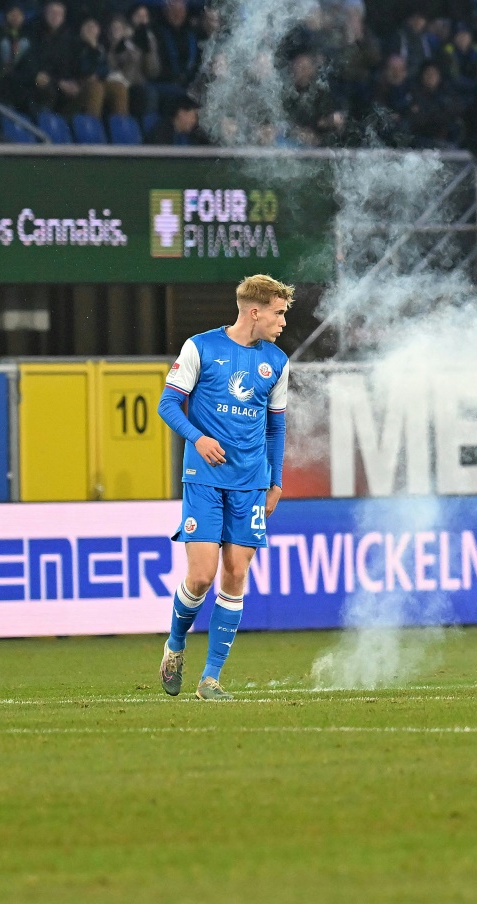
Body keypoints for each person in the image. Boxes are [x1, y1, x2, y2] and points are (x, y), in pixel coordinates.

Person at [155, 275, 294, 700]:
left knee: (236, 575)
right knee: (200, 577)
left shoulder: (278, 361)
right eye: (279, 312)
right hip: (204, 479)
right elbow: (166, 405)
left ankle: (211, 679)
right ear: (255, 311)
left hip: (250, 483)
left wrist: (275, 482)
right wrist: (198, 437)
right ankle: (176, 645)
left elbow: (276, 427)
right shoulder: (201, 347)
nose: (283, 322)